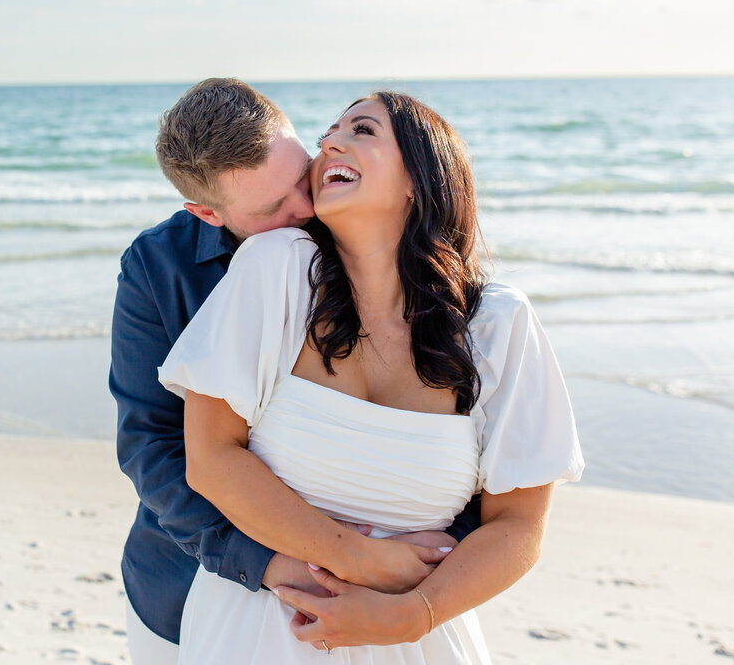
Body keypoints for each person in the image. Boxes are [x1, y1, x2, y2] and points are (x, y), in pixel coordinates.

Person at [157, 91, 584, 662]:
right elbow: (210, 459)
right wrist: (357, 559)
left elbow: (520, 526)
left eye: (362, 129)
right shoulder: (273, 268)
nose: (330, 140)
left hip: (417, 638)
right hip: (258, 633)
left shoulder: (499, 324)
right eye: (330, 130)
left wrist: (411, 615)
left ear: (421, 177)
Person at [110, 79, 479, 663]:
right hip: (183, 582)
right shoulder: (159, 267)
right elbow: (152, 446)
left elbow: (446, 429)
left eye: (300, 176)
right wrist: (270, 562)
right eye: (271, 209)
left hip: (382, 594)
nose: (304, 211)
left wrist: (424, 564)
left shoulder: (363, 243)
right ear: (207, 213)